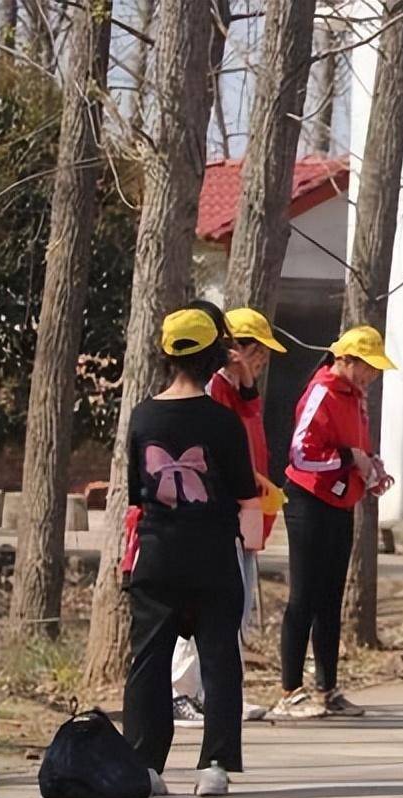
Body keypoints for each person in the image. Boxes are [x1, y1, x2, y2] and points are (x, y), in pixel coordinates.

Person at [122, 306, 261, 797]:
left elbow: (137, 488)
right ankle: (215, 765)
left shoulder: (142, 415)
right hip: (212, 556)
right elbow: (247, 491)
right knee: (220, 659)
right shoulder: (222, 423)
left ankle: (144, 765)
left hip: (157, 555)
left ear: (165, 355)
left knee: (148, 662)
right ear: (212, 359)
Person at [270, 326, 396, 720]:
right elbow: (300, 453)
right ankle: (290, 689)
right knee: (303, 596)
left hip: (341, 501)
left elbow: (359, 447)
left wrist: (370, 470)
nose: (371, 376)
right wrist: (348, 459)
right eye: (366, 368)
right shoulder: (322, 391)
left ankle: (328, 687)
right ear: (345, 360)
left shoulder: (356, 398)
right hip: (309, 500)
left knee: (330, 598)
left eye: (375, 370)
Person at [170, 306, 286, 726]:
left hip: (246, 511)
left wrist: (250, 384)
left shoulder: (240, 394)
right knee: (206, 608)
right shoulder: (215, 390)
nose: (261, 362)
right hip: (223, 513)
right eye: (257, 354)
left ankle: (221, 693)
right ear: (236, 350)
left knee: (233, 609)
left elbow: (251, 429)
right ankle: (183, 691)